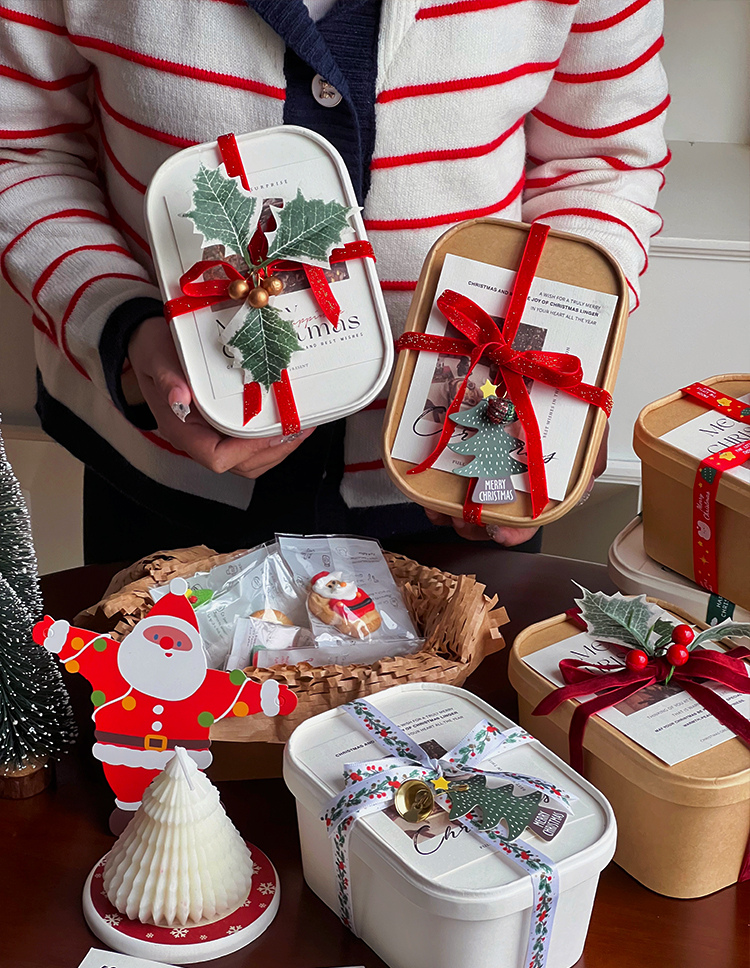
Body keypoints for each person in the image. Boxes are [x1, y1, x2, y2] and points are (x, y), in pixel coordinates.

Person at [0, 0, 668, 563]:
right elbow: (22, 149)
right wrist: (121, 324)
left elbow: (601, 164)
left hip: (466, 461)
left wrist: (560, 388)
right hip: (166, 469)